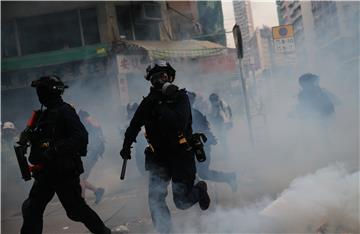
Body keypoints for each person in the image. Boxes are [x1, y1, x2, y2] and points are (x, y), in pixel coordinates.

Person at [120, 61, 210, 233]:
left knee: (181, 202)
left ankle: (200, 190)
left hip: (180, 155)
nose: (160, 80)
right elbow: (134, 125)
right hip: (158, 159)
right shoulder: (148, 103)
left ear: (170, 77)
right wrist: (126, 146)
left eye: (163, 76)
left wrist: (160, 105)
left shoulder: (180, 98)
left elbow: (178, 123)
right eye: (155, 78)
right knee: (155, 199)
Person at [21, 75, 112, 234]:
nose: (39, 95)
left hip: (63, 172)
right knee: (31, 208)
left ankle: (103, 232)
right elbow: (33, 135)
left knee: (76, 210)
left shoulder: (65, 111)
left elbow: (81, 137)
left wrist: (57, 149)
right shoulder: (41, 115)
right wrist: (26, 138)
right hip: (45, 172)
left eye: (41, 91)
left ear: (50, 92)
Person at [187, 92, 237, 192]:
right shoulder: (185, 114)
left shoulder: (195, 114)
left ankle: (229, 177)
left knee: (202, 173)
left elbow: (204, 130)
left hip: (200, 148)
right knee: (191, 172)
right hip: (191, 148)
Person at [78, 110, 106, 204]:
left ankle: (82, 201)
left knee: (81, 177)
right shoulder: (94, 123)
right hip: (94, 154)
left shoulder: (88, 125)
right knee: (82, 178)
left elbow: (89, 141)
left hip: (91, 154)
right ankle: (98, 191)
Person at [208, 93, 233, 157]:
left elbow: (227, 112)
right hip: (220, 124)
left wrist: (230, 121)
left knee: (223, 138)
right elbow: (213, 116)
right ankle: (225, 153)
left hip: (223, 124)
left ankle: (226, 154)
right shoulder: (215, 106)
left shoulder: (222, 104)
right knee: (222, 139)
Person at [126, 103, 147, 176]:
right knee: (139, 157)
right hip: (140, 141)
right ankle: (144, 174)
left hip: (146, 140)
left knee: (143, 156)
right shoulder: (131, 119)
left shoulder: (143, 116)